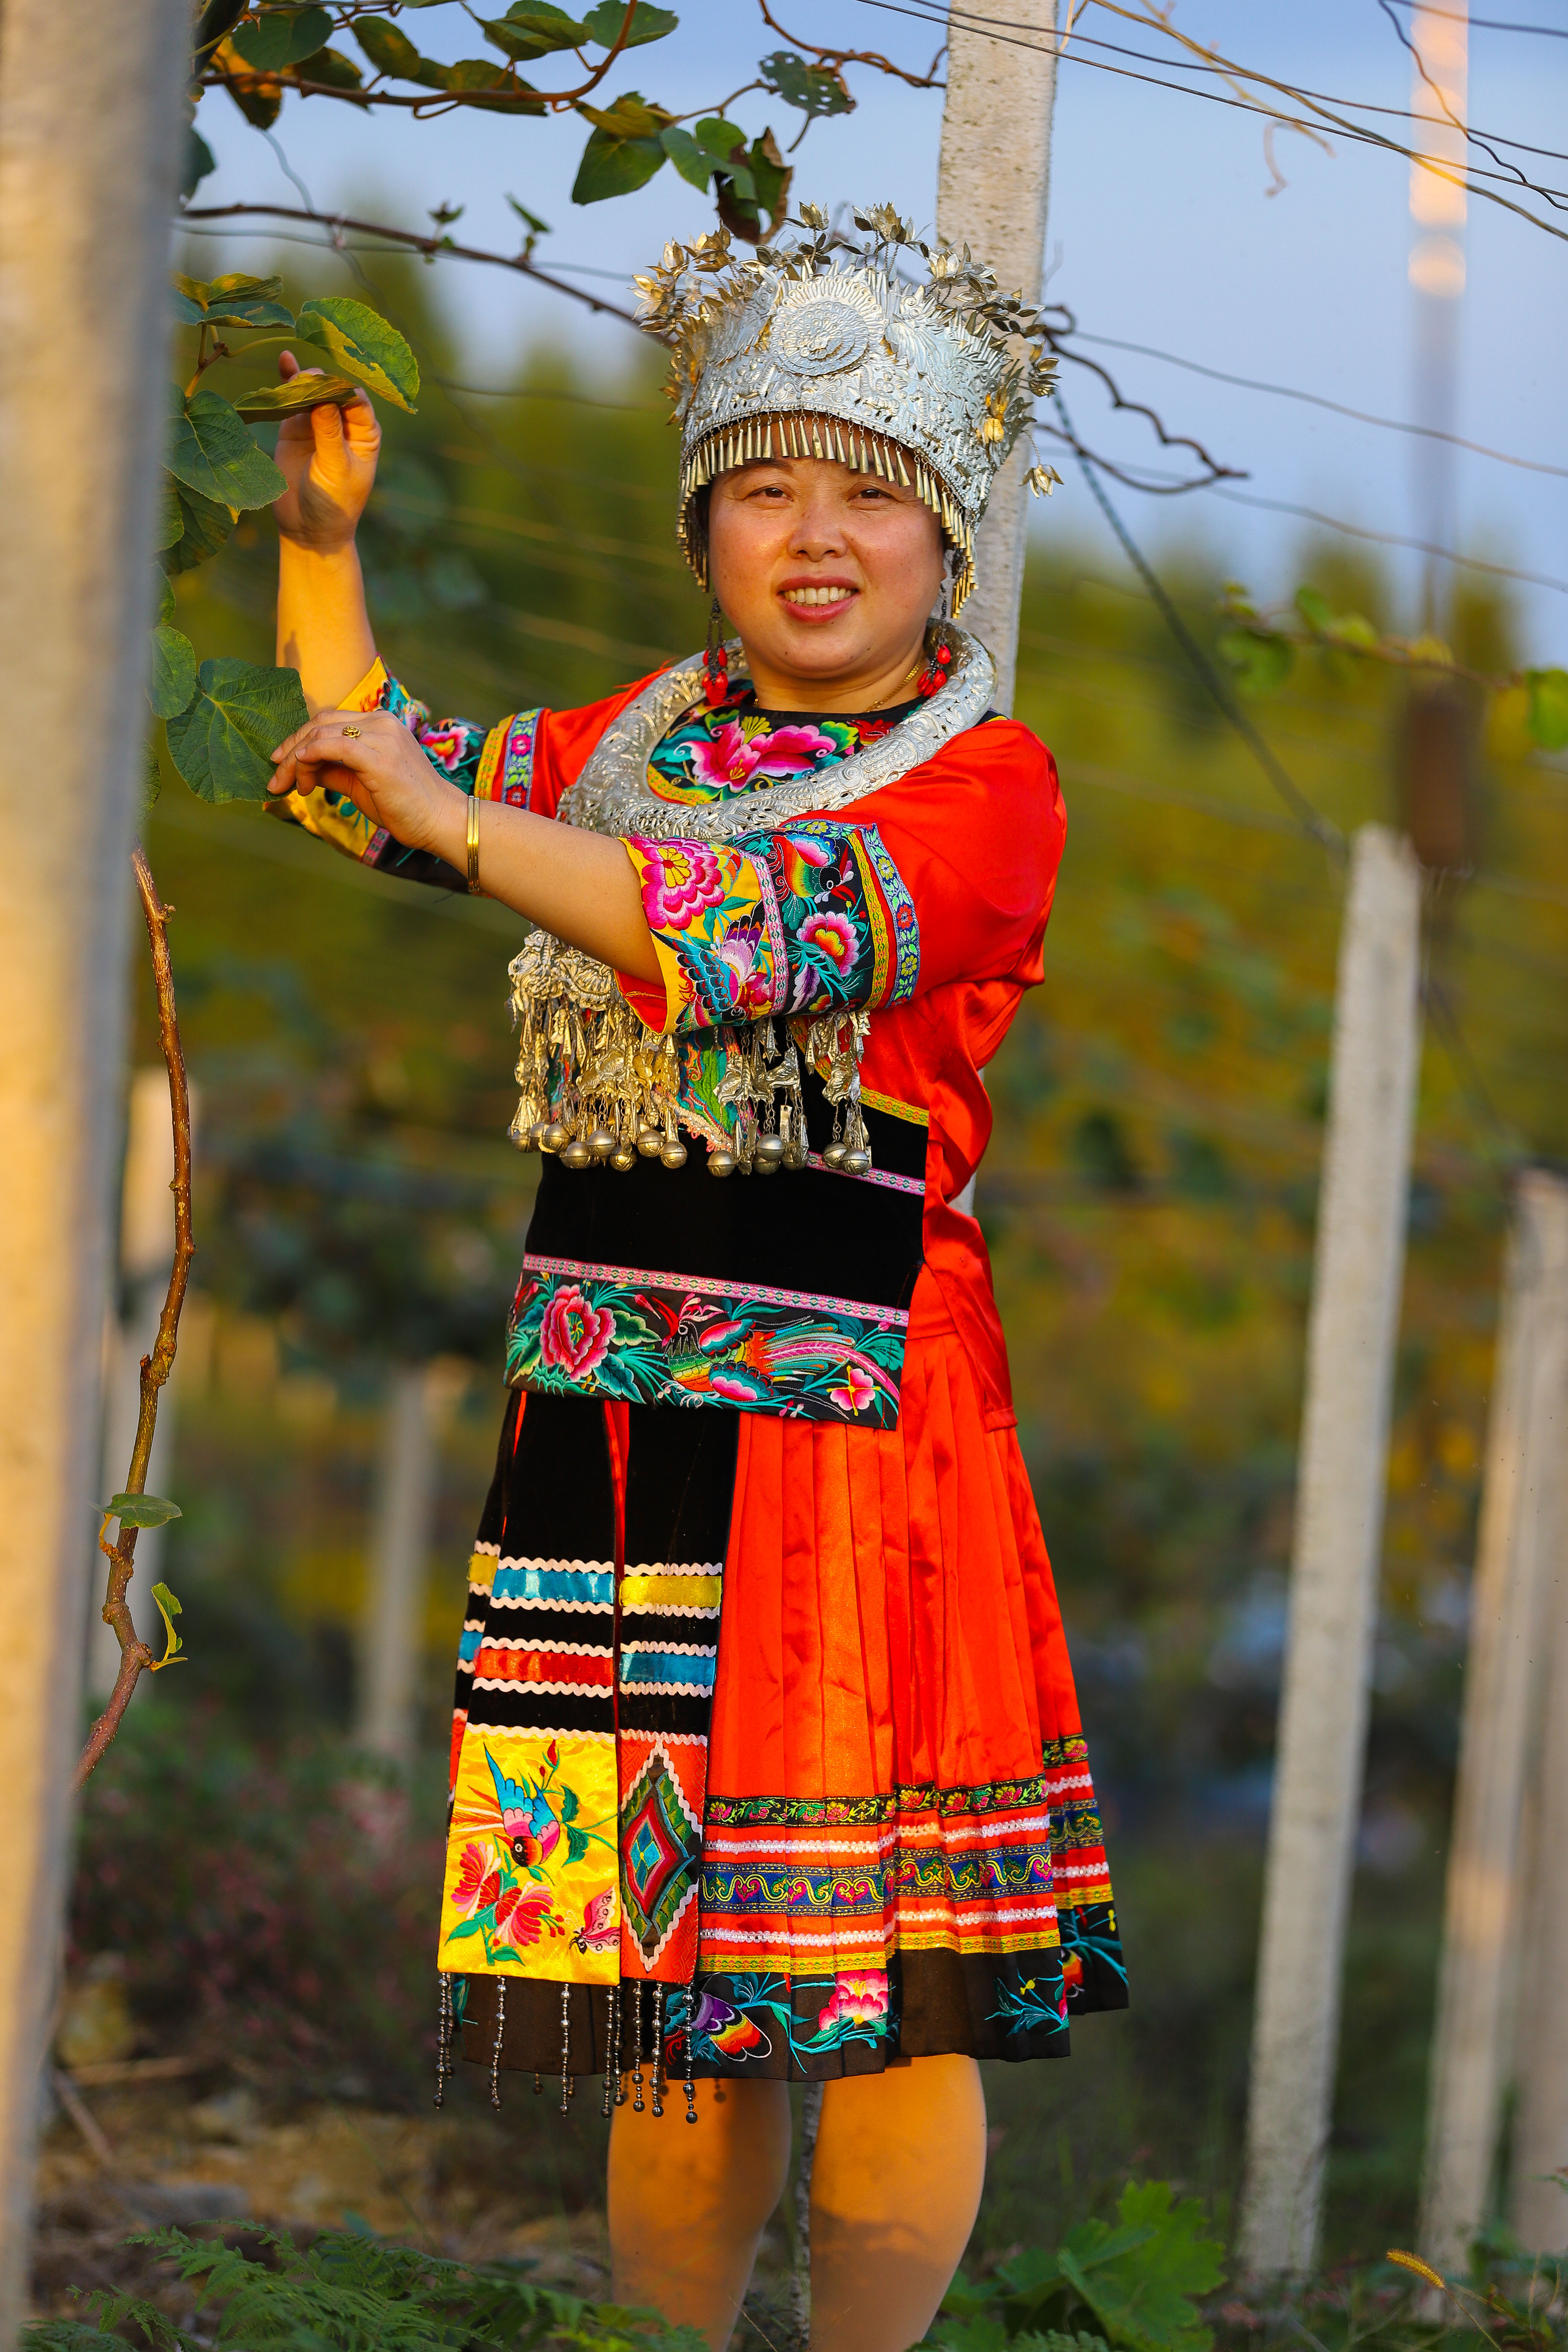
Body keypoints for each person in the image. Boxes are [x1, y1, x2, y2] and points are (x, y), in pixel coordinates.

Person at [266, 203, 1126, 2352]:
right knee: (667, 1980)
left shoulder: (982, 788)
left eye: (869, 497)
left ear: (944, 538)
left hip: (853, 1442)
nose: (814, 539)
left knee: (867, 1982)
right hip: (609, 1430)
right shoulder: (643, 737)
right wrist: (314, 547)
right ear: (702, 528)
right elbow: (372, 787)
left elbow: (722, 939)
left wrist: (451, 821)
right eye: (766, 490)